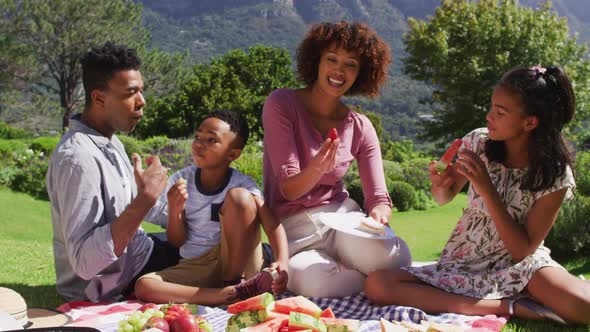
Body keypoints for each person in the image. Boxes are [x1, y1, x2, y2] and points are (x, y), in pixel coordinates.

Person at [364, 66, 590, 324]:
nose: (488, 116)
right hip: (464, 264)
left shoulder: (555, 174)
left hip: (521, 268)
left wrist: (487, 189)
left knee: (584, 307)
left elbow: (522, 252)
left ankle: (512, 296)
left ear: (530, 123)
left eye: (500, 112)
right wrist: (439, 184)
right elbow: (443, 197)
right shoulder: (477, 143)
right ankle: (508, 306)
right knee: (377, 284)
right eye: (492, 107)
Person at [262, 21, 411, 298]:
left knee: (397, 257)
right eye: (332, 59)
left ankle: (366, 273)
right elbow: (289, 189)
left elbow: (378, 197)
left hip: (343, 220)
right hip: (294, 230)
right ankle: (370, 280)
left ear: (361, 73)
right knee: (321, 286)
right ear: (316, 60)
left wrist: (380, 214)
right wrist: (318, 167)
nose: (339, 70)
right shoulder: (281, 104)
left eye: (351, 64)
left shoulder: (360, 125)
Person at [46, 42, 180, 302]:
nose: (142, 101)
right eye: (131, 93)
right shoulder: (78, 159)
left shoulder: (110, 141)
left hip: (137, 254)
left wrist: (187, 211)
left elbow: (129, 207)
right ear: (99, 98)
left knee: (211, 240)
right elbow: (85, 264)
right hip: (109, 283)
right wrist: (145, 199)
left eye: (141, 91)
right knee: (226, 255)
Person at [134, 110, 289, 305]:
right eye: (198, 136)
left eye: (211, 140)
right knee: (144, 286)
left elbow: (273, 225)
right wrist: (174, 209)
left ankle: (235, 282)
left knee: (240, 197)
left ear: (232, 154)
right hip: (196, 264)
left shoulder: (242, 183)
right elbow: (176, 241)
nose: (200, 144)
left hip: (237, 262)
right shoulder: (181, 180)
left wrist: (282, 263)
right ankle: (228, 295)